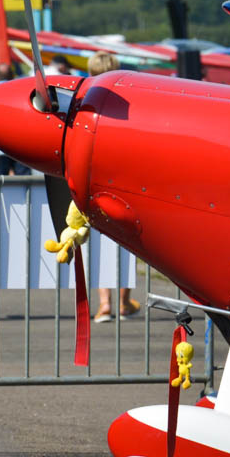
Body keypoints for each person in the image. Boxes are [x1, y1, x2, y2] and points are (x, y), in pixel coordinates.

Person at [85, 52, 140, 323]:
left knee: (98, 243)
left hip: (93, 177)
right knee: (129, 243)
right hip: (125, 177)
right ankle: (123, 302)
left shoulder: (85, 100)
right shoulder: (127, 99)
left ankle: (104, 304)